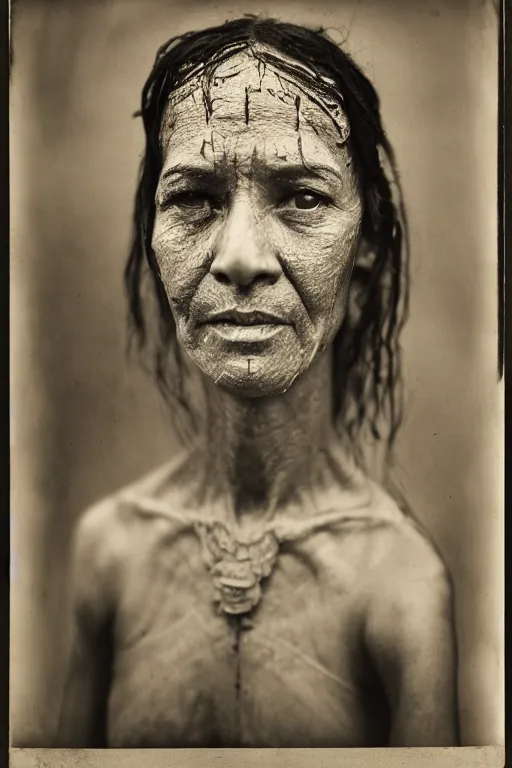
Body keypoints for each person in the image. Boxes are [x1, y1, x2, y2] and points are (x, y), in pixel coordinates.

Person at [57, 16, 459, 748]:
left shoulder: (397, 587)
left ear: (365, 250)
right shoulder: (109, 554)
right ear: (153, 239)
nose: (240, 257)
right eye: (195, 198)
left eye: (302, 197)